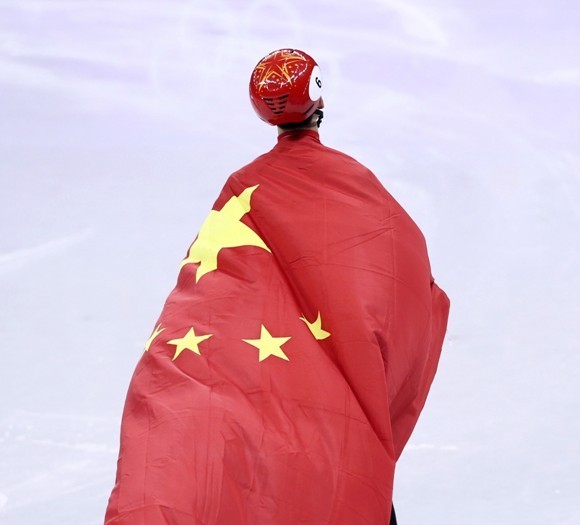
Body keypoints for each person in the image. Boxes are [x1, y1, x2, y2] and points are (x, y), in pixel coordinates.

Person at [105, 48, 450, 525]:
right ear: (318, 97)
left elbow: (211, 284)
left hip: (233, 379)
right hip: (325, 409)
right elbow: (399, 278)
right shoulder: (353, 186)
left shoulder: (242, 189)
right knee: (341, 466)